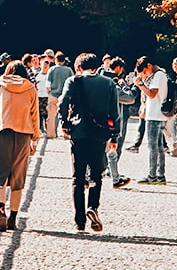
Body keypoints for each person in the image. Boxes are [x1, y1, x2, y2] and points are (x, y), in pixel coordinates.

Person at [58, 53, 121, 232]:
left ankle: (79, 221)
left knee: (78, 177)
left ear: (79, 67)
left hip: (78, 133)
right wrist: (114, 136)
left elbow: (63, 103)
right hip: (99, 134)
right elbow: (115, 113)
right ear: (97, 67)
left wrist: (64, 123)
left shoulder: (73, 81)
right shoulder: (109, 84)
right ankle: (92, 207)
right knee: (96, 175)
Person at [0, 60, 40, 230]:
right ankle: (13, 217)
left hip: (2, 133)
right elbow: (34, 114)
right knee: (18, 176)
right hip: (23, 134)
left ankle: (1, 212)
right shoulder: (30, 87)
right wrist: (35, 139)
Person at [132, 56, 168, 185]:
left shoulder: (158, 75)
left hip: (154, 115)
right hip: (158, 115)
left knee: (152, 147)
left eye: (145, 71)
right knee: (158, 147)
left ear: (149, 65)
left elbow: (152, 94)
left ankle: (152, 175)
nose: (145, 74)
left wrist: (140, 85)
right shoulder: (162, 74)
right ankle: (160, 175)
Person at [105, 57, 132, 188]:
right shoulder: (114, 86)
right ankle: (114, 176)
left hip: (96, 120)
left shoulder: (98, 80)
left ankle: (88, 176)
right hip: (114, 120)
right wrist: (124, 85)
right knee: (113, 148)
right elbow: (130, 98)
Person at [45, 51, 74, 139]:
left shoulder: (51, 69)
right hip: (65, 96)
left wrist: (49, 93)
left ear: (55, 60)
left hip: (53, 95)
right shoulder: (69, 70)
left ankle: (51, 134)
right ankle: (66, 134)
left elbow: (47, 85)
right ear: (64, 61)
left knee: (51, 116)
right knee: (67, 115)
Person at [35, 57, 51, 135]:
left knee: (47, 115)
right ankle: (40, 130)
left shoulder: (49, 76)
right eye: (43, 66)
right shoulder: (37, 76)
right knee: (39, 115)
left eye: (46, 66)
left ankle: (49, 131)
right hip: (39, 97)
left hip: (47, 97)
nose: (45, 68)